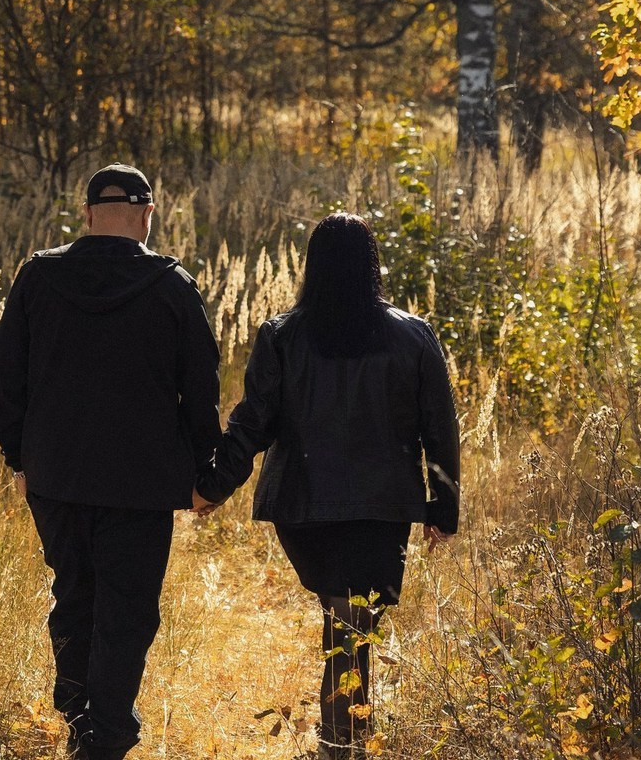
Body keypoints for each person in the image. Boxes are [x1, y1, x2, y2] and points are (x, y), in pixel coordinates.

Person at [194, 212, 460, 757]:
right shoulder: (412, 335)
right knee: (352, 625)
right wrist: (442, 509)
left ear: (312, 266)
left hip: (304, 507)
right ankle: (341, 744)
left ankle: (341, 740)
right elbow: (441, 425)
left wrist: (212, 486)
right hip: (380, 509)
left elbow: (253, 422)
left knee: (346, 621)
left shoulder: (283, 335)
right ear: (371, 265)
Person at [0, 163, 221, 760]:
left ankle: (77, 712)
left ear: (88, 214)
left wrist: (19, 457)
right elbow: (200, 389)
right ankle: (107, 731)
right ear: (147, 216)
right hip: (140, 484)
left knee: (74, 592)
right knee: (128, 606)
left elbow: (6, 378)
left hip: (56, 475)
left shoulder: (38, 278)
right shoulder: (173, 286)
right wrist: (206, 472)